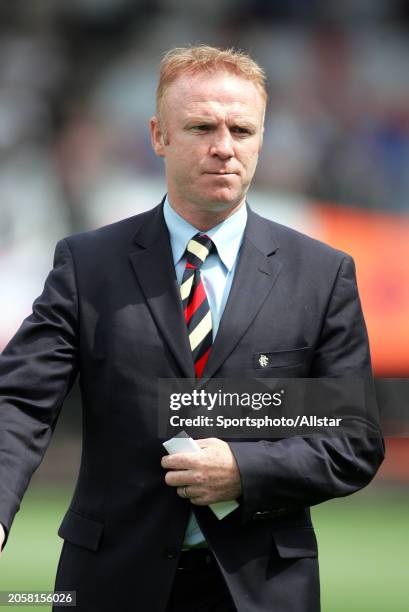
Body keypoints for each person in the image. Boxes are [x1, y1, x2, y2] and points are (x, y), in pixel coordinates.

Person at [0, 45, 384, 612]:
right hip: (108, 582)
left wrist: (244, 471)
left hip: (263, 589)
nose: (224, 147)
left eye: (242, 129)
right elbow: (21, 402)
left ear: (262, 138)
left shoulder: (322, 275)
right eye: (202, 126)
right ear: (159, 136)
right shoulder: (89, 265)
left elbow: (352, 441)